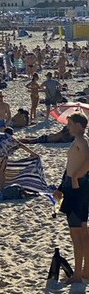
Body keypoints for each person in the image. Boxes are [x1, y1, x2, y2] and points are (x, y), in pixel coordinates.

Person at [53, 113, 89, 283]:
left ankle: (77, 274)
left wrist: (76, 177)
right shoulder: (79, 140)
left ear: (79, 125)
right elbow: (70, 166)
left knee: (77, 233)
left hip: (77, 188)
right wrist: (62, 186)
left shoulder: (82, 140)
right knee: (82, 231)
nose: (68, 126)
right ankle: (86, 270)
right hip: (72, 186)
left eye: (70, 123)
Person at [0, 127, 39, 198]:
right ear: (12, 134)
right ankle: (2, 191)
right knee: (1, 173)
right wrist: (33, 154)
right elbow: (22, 146)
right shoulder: (10, 138)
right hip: (0, 154)